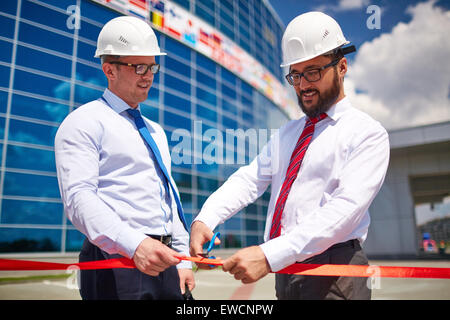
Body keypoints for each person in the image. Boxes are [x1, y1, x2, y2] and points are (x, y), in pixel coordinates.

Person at [190, 11, 390, 300]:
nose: (303, 85)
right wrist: (205, 219)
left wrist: (269, 255)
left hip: (335, 273)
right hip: (285, 272)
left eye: (313, 72)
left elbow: (344, 211)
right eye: (295, 75)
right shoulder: (287, 133)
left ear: (342, 66)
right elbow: (250, 179)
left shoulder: (367, 134)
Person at [55, 16, 194, 300]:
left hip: (164, 258)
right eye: (139, 67)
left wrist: (183, 258)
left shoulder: (156, 132)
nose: (149, 75)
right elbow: (79, 198)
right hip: (116, 259)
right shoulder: (84, 122)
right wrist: (135, 245)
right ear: (109, 70)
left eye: (152, 66)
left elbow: (167, 197)